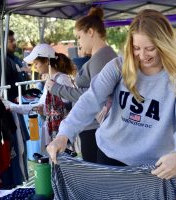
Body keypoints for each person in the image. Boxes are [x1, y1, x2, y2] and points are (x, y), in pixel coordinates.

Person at [47, 9, 176, 180]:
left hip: (154, 166)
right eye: (136, 48)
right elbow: (90, 100)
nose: (142, 55)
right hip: (110, 156)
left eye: (150, 48)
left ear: (164, 44)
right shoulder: (118, 66)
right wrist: (64, 134)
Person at [46, 7, 117, 163]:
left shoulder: (102, 58)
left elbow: (94, 95)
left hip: (94, 128)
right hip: (92, 126)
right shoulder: (102, 56)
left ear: (90, 32)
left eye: (79, 37)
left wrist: (57, 89)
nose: (78, 42)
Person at [24, 43, 75, 146]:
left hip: (62, 135)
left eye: (37, 63)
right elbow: (42, 106)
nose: (35, 67)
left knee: (61, 161)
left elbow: (68, 107)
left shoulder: (61, 79)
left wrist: (46, 110)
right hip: (54, 133)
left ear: (47, 61)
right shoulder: (50, 80)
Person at [0, 30, 31, 102]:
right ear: (2, 43)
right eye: (11, 41)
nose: (14, 43)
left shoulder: (13, 58)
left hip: (21, 100)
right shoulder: (1, 60)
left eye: (14, 40)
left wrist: (25, 74)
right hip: (11, 104)